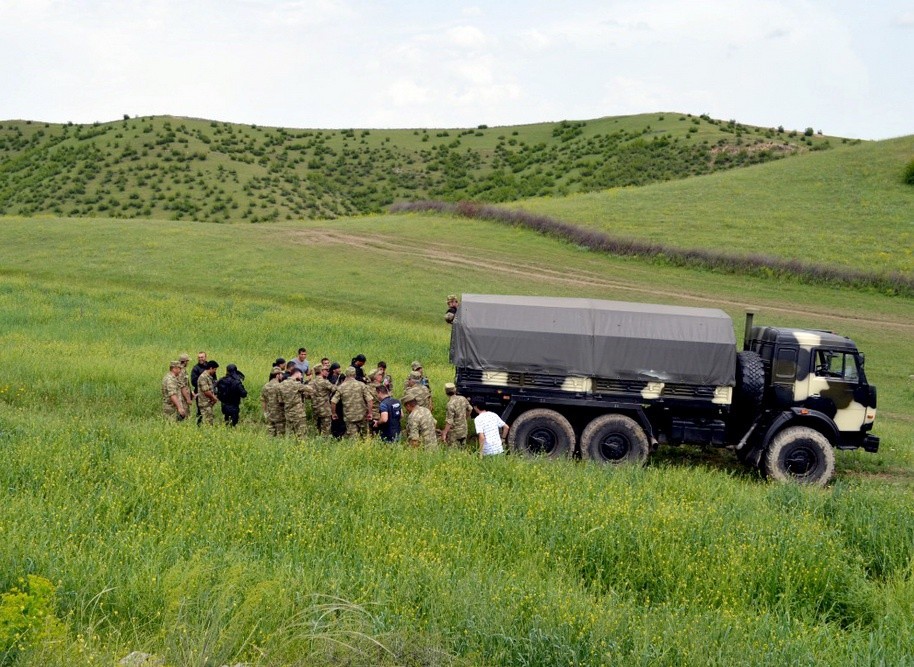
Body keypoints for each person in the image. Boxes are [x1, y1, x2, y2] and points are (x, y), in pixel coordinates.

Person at [331, 367, 373, 437]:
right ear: (355, 375)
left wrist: (333, 413)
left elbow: (333, 401)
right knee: (365, 437)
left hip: (349, 417)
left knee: (353, 438)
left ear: (346, 375)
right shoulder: (361, 385)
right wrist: (370, 413)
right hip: (362, 415)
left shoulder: (341, 387)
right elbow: (369, 400)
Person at [279, 367, 313, 438]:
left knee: (289, 435)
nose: (301, 377)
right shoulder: (296, 384)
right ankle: (302, 448)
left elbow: (281, 401)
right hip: (298, 413)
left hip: (288, 413)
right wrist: (308, 381)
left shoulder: (281, 384)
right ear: (297, 373)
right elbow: (310, 389)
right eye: (301, 375)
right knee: (302, 434)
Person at [441, 382, 471, 448]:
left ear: (446, 392)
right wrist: (465, 418)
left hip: (454, 432)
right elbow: (470, 409)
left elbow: (449, 421)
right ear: (455, 390)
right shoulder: (462, 398)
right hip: (464, 429)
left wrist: (444, 433)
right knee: (462, 448)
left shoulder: (450, 404)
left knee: (453, 450)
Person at [310, 364, 335, 435]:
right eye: (326, 370)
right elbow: (334, 389)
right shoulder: (325, 382)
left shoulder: (311, 382)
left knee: (316, 428)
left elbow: (307, 395)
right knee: (326, 429)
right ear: (321, 371)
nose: (328, 372)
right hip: (325, 409)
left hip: (315, 409)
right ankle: (325, 443)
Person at [260, 366, 285, 436]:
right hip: (280, 413)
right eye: (281, 374)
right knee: (280, 433)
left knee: (270, 432)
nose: (282, 376)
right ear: (277, 375)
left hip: (270, 412)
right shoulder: (280, 386)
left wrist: (265, 412)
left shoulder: (266, 386)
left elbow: (263, 401)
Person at [196, 360, 220, 425]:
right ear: (210, 368)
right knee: (207, 422)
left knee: (210, 420)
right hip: (204, 403)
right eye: (215, 369)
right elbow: (206, 391)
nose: (215, 371)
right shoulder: (203, 377)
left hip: (208, 403)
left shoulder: (209, 377)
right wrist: (214, 398)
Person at [190, 351, 208, 425]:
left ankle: (208, 424)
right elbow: (193, 381)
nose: (200, 359)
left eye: (202, 357)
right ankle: (199, 425)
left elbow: (214, 378)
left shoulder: (209, 366)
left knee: (209, 409)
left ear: (205, 357)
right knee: (200, 410)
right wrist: (203, 385)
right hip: (199, 392)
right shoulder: (195, 368)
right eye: (199, 357)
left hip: (209, 392)